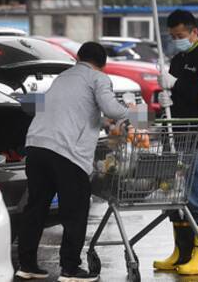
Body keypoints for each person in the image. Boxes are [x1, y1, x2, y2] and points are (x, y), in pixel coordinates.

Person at [16, 41, 133, 282]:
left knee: (36, 207)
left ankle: (26, 265)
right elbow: (111, 108)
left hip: (37, 147)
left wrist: (103, 123)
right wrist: (132, 112)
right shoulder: (98, 78)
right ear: (103, 64)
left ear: (78, 57)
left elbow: (73, 110)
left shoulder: (63, 78)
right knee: (76, 209)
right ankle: (70, 269)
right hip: (66, 152)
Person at [153, 9, 198, 276]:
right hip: (175, 135)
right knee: (176, 195)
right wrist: (164, 102)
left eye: (180, 35)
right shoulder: (178, 59)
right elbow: (176, 94)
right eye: (172, 36)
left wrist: (176, 84)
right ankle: (181, 252)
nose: (176, 40)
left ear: (194, 32)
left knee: (197, 193)